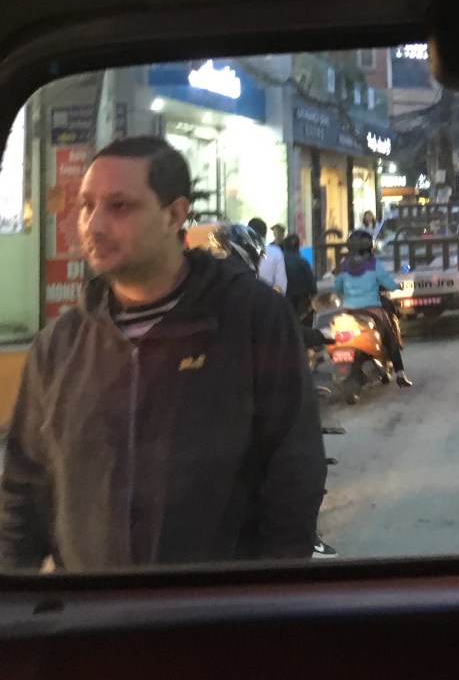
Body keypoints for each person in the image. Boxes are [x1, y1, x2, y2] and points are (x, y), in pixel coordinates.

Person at [0, 136, 327, 570]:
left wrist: (262, 593)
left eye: (119, 206)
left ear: (174, 215)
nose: (93, 225)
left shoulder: (251, 318)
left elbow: (294, 472)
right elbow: (23, 490)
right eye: (86, 206)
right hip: (89, 606)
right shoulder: (60, 345)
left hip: (217, 605)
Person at [330, 229, 413, 389]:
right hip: (372, 310)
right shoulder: (374, 263)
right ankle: (400, 374)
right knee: (390, 337)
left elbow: (337, 287)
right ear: (370, 246)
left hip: (349, 312)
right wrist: (398, 286)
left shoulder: (344, 265)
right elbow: (388, 283)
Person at [282, 233, 318, 324]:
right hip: (302, 302)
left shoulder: (280, 262)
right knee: (303, 325)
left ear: (284, 247)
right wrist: (315, 296)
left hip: (285, 301)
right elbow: (311, 283)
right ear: (298, 247)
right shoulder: (303, 262)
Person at [248, 216, 288, 295]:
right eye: (274, 232)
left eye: (277, 232)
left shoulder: (240, 252)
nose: (276, 234)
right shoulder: (276, 252)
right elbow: (281, 286)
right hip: (269, 298)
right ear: (265, 234)